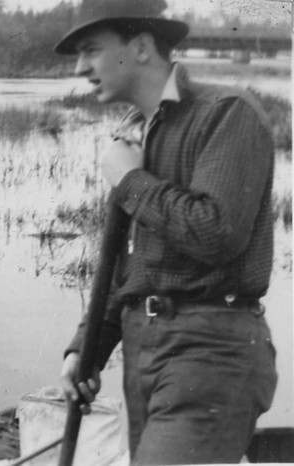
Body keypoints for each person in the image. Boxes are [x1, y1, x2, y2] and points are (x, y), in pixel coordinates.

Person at [54, 0, 278, 464]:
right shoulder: (135, 133)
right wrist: (87, 350)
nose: (80, 67)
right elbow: (130, 271)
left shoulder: (226, 114)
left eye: (92, 50)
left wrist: (131, 181)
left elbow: (216, 234)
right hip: (145, 354)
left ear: (140, 48)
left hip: (213, 351)